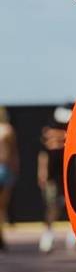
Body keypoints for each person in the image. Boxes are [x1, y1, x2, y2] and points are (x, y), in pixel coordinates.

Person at [37, 105, 76, 253]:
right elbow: (43, 155)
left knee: (71, 206)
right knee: (52, 205)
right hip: (53, 176)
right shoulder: (48, 132)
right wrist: (42, 173)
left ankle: (74, 234)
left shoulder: (74, 129)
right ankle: (48, 235)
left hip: (69, 174)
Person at [0, 107, 20, 250]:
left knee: (2, 206)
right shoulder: (7, 130)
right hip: (5, 168)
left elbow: (13, 151)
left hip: (5, 169)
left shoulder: (8, 129)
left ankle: (1, 236)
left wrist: (15, 168)